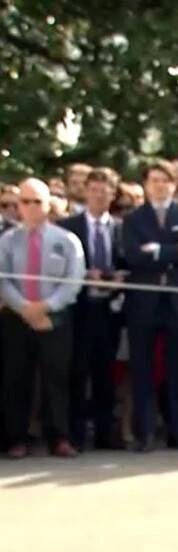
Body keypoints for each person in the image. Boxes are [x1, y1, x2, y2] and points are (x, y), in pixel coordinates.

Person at [122, 160, 178, 453]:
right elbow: (133, 255)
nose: (159, 185)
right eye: (154, 180)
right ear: (146, 185)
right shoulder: (133, 219)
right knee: (142, 368)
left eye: (165, 180)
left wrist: (157, 250)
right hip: (144, 302)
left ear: (174, 185)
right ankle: (144, 433)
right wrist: (175, 249)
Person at [0, 178, 85, 459]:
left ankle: (58, 437)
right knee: (16, 378)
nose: (31, 207)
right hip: (17, 316)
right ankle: (16, 438)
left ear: (48, 205)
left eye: (37, 202)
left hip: (54, 318)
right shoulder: (7, 241)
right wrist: (24, 307)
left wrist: (47, 306)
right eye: (25, 202)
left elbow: (74, 280)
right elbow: (3, 280)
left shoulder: (67, 241)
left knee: (56, 378)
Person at [61, 168, 127, 450]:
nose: (99, 196)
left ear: (113, 194)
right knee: (77, 371)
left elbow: (127, 263)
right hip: (79, 308)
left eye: (105, 191)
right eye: (94, 190)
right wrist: (85, 274)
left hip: (110, 310)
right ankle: (75, 433)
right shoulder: (68, 227)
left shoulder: (122, 228)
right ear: (86, 192)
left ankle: (104, 433)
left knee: (105, 373)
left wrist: (118, 278)